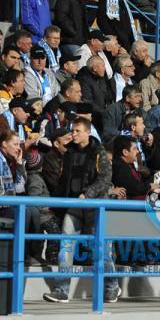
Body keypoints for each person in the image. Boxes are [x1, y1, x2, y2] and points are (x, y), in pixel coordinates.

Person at [42, 118, 120, 304]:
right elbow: (63, 180)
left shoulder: (99, 152)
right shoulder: (68, 153)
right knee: (65, 246)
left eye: (77, 131)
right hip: (74, 206)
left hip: (96, 207)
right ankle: (62, 290)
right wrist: (55, 202)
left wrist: (87, 194)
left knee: (100, 249)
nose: (73, 134)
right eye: (72, 130)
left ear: (88, 132)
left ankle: (112, 286)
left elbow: (105, 180)